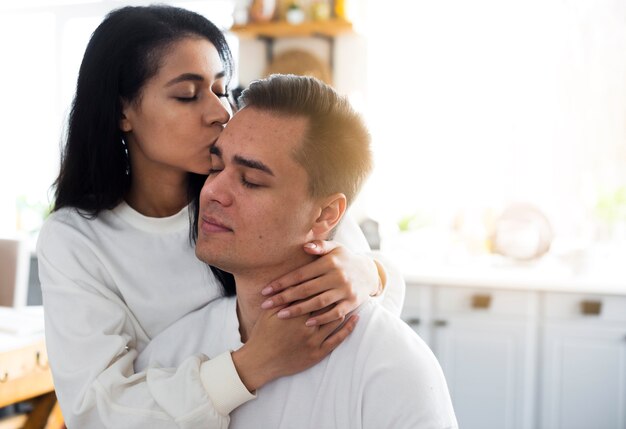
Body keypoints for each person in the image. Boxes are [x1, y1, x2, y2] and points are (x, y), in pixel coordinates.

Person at [36, 5, 405, 428]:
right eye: (187, 95)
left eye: (221, 89)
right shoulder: (76, 240)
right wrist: (253, 363)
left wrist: (369, 273)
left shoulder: (271, 196)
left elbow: (371, 311)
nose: (219, 112)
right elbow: (97, 411)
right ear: (123, 112)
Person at [137, 74, 458, 429]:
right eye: (216, 167)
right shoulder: (169, 356)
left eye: (251, 181)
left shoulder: (391, 368)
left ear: (325, 215)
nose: (213, 192)